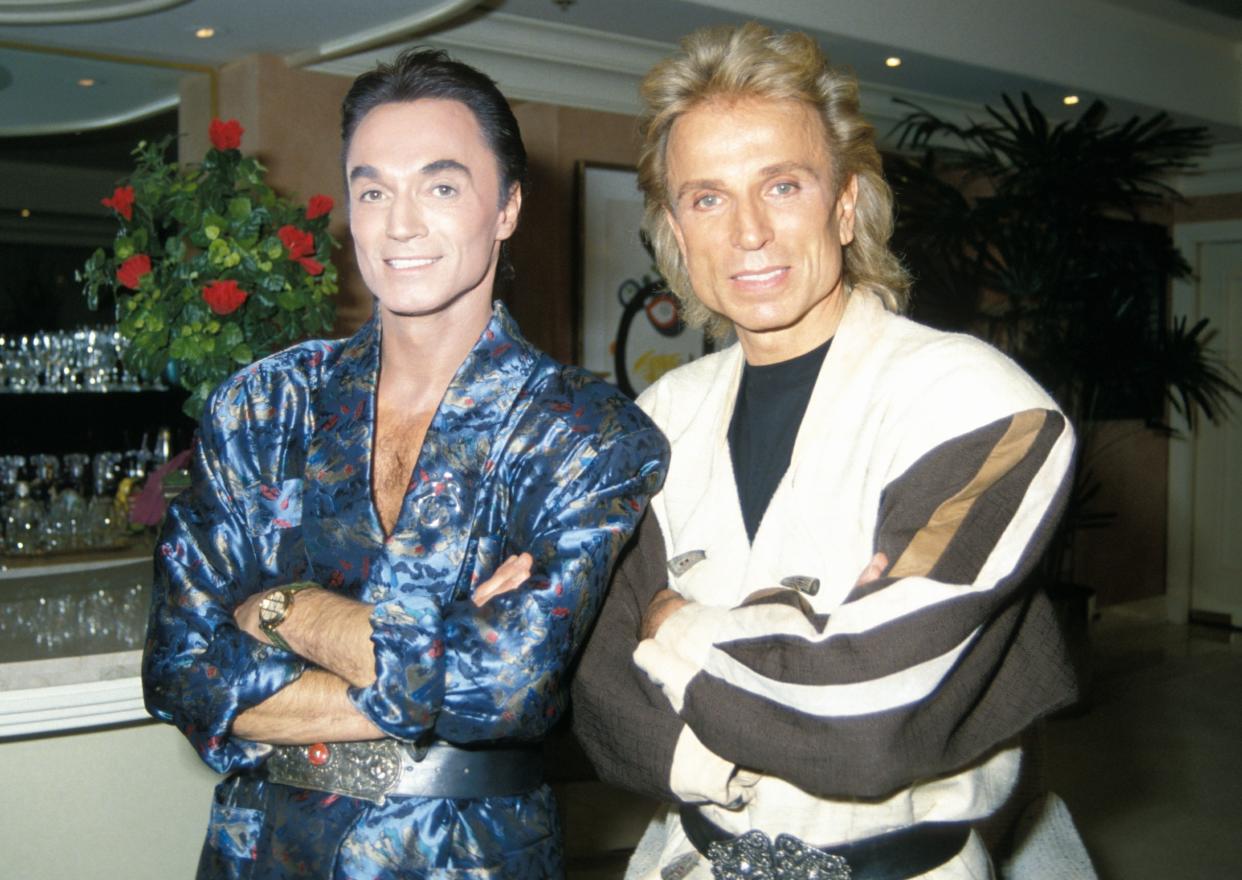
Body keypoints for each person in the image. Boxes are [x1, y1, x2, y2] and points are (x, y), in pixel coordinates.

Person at [142, 48, 668, 879]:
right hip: (259, 852)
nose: (400, 224)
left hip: (468, 858)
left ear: (508, 208)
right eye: (373, 189)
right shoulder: (264, 403)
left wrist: (279, 608)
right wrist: (442, 650)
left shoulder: (590, 433)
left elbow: (506, 689)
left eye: (442, 186)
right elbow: (181, 671)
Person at [572, 23, 1079, 880]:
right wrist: (786, 648)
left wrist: (675, 625)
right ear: (674, 234)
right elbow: (597, 689)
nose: (749, 233)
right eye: (707, 198)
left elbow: (875, 720)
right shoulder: (652, 423)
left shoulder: (981, 404)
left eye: (783, 186)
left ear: (845, 206)